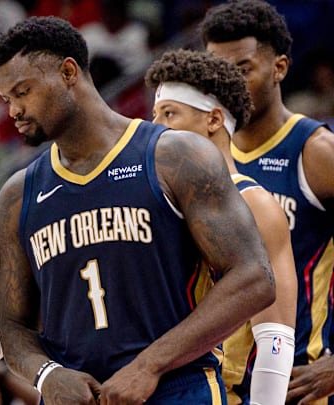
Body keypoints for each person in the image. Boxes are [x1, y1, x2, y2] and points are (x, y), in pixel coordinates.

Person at [0, 16, 276, 404]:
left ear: (69, 72)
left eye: (23, 92)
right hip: (75, 396)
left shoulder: (174, 156)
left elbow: (255, 278)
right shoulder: (18, 195)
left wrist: (150, 365)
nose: (14, 111)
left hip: (175, 386)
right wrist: (46, 375)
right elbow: (12, 326)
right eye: (7, 99)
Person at [145, 48, 298, 405]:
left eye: (169, 113)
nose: (154, 128)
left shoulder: (255, 202)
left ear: (213, 120)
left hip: (222, 391)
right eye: (154, 114)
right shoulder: (159, 199)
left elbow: (274, 337)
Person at [201, 1, 334, 403]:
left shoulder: (316, 152)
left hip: (296, 382)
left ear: (279, 68)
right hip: (219, 386)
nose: (226, 86)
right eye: (216, 73)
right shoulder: (198, 159)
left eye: (241, 70)